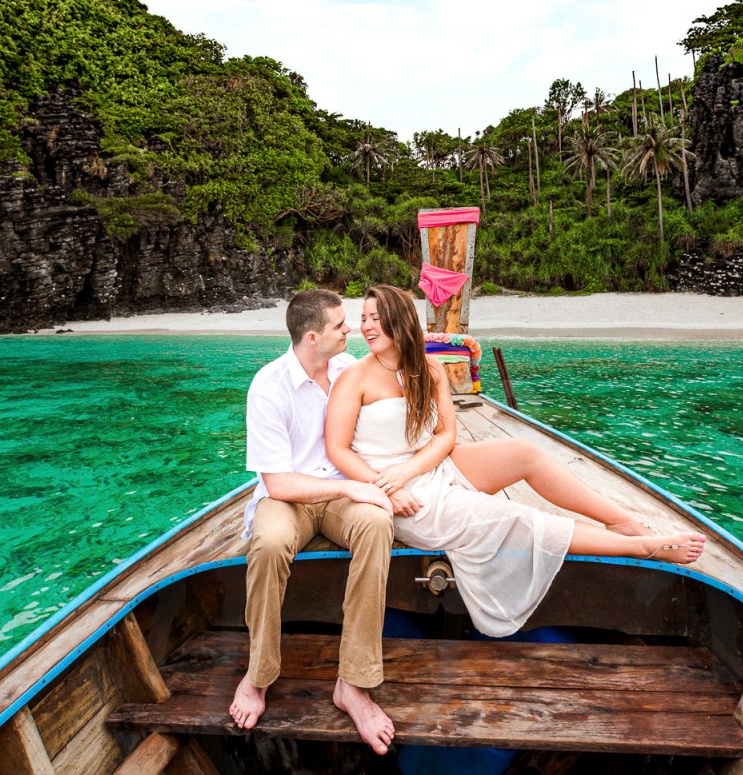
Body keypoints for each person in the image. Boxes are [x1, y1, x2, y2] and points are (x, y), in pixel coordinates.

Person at [325, 284, 705, 637]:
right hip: (392, 487)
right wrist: (386, 487)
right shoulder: (355, 377)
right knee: (514, 517)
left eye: (375, 318)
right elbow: (337, 450)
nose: (366, 327)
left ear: (400, 320)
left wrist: (413, 466)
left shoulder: (430, 369)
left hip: (428, 466)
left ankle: (621, 522)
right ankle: (642, 548)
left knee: (523, 453)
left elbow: (446, 435)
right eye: (363, 319)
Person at [230, 288, 396, 754]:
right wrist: (348, 486)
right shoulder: (268, 386)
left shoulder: (349, 369)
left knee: (377, 524)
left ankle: (354, 683)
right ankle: (259, 675)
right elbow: (279, 483)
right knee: (266, 543)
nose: (352, 331)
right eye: (341, 327)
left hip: (342, 495)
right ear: (310, 337)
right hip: (292, 498)